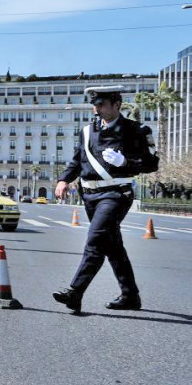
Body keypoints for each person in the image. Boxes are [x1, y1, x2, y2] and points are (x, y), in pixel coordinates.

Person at [52, 86, 159, 313]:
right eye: (95, 104)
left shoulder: (135, 130)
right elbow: (77, 161)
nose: (96, 108)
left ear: (116, 104)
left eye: (101, 104)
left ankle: (75, 292)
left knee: (96, 240)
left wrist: (126, 163)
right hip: (89, 195)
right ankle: (131, 296)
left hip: (116, 194)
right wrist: (63, 180)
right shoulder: (87, 131)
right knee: (113, 247)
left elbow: (152, 164)